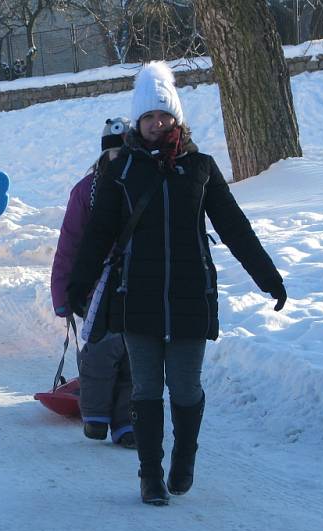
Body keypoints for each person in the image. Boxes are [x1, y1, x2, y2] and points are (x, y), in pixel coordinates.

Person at [68, 61, 287, 505]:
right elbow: (98, 234)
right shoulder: (121, 170)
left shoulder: (201, 168)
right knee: (147, 389)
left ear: (177, 118)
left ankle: (183, 458)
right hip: (138, 298)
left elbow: (235, 227)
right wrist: (78, 285)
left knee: (185, 388)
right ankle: (150, 475)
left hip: (191, 296)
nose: (156, 124)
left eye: (163, 115)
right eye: (148, 116)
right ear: (138, 121)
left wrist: (267, 276)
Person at [51, 117, 136, 450]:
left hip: (138, 282)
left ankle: (126, 420)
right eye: (114, 154)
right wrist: (63, 293)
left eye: (126, 153)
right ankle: (97, 414)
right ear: (104, 156)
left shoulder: (143, 185)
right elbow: (69, 244)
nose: (120, 159)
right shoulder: (87, 191)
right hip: (95, 285)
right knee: (102, 350)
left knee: (133, 355)